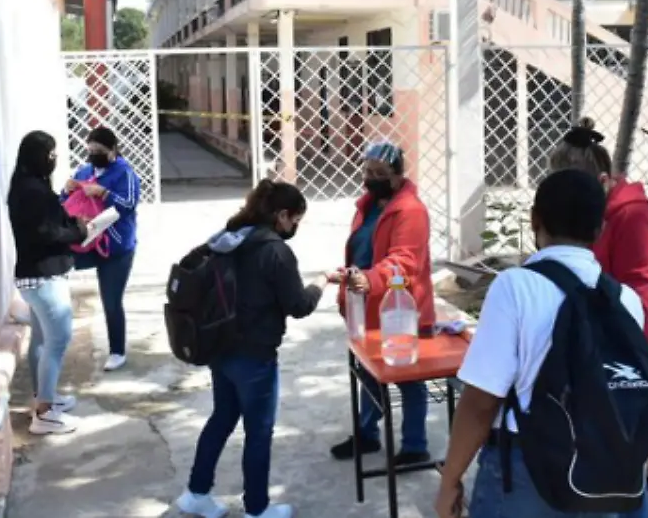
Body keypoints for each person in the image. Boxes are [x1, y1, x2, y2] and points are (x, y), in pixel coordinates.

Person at [435, 169, 648, 518]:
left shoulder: (515, 288)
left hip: (527, 469)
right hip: (603, 470)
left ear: (535, 219)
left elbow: (480, 402)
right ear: (600, 229)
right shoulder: (626, 300)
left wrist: (450, 480)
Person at [177, 180, 334, 518]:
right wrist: (322, 281)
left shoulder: (229, 237)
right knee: (259, 432)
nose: (295, 227)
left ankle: (196, 492)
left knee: (222, 418)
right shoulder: (275, 251)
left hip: (220, 346)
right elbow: (298, 305)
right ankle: (257, 509)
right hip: (255, 355)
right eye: (295, 220)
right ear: (281, 215)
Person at [328, 142, 436, 466]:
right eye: (367, 172)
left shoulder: (411, 211)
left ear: (397, 175)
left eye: (380, 174)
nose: (371, 178)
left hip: (401, 307)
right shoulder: (368, 206)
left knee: (408, 378)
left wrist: (371, 280)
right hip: (366, 303)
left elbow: (404, 262)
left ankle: (415, 446)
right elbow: (362, 251)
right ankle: (367, 435)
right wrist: (349, 281)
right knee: (368, 372)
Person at [547, 118, 648, 370]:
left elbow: (642, 302)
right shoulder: (592, 213)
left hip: (631, 354)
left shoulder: (635, 218)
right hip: (594, 343)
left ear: (604, 182)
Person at [8, 131, 89, 435]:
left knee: (42, 341)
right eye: (49, 154)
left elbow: (51, 222)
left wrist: (74, 224)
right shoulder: (31, 190)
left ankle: (44, 397)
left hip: (38, 276)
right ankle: (44, 414)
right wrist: (78, 234)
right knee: (58, 340)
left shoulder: (31, 185)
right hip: (42, 278)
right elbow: (45, 233)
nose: (53, 159)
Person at [64, 126, 141, 372]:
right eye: (91, 150)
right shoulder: (84, 171)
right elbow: (66, 204)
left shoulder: (125, 174)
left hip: (116, 247)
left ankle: (117, 351)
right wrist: (66, 192)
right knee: (56, 269)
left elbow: (128, 205)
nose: (94, 154)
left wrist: (104, 193)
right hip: (86, 241)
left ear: (113, 150)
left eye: (100, 150)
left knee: (111, 300)